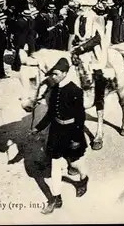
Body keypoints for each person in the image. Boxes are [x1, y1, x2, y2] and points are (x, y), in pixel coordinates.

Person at [30, 58, 89, 214]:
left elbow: (80, 117)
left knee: (75, 163)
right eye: (52, 74)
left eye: (56, 74)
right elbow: (50, 114)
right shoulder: (54, 89)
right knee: (56, 165)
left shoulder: (75, 91)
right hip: (56, 132)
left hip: (71, 133)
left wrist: (76, 139)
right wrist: (38, 128)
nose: (53, 77)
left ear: (65, 73)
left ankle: (83, 179)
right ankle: (56, 199)